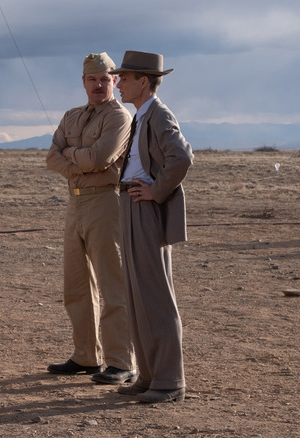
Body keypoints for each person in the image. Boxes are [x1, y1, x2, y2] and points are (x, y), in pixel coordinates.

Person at [46, 52, 136, 385]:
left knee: (113, 285)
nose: (98, 85)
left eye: (105, 79)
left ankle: (121, 361)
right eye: (92, 79)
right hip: (76, 203)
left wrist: (72, 156)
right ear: (83, 81)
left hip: (106, 204)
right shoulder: (71, 116)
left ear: (114, 80)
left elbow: (102, 156)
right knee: (76, 286)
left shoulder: (120, 117)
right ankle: (86, 357)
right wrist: (79, 161)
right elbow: (51, 157)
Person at [111, 50, 194, 403]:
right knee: (136, 293)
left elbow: (182, 157)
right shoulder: (141, 116)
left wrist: (157, 191)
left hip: (146, 208)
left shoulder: (158, 115)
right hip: (131, 204)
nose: (118, 84)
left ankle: (169, 381)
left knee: (155, 295)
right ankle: (149, 376)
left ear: (143, 82)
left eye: (124, 78)